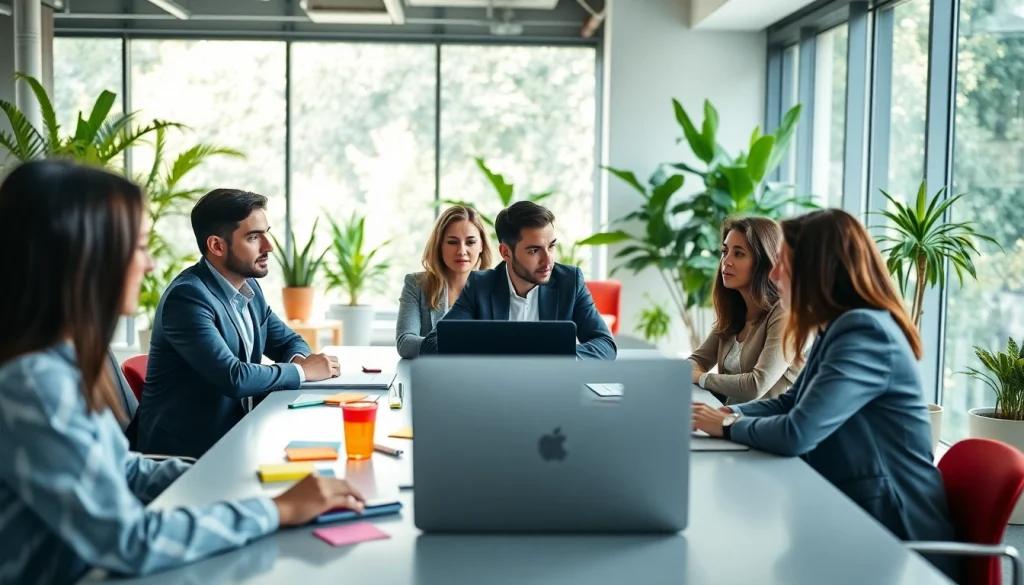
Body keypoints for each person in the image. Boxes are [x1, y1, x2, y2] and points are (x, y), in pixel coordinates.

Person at [0, 160, 365, 584]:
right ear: (84, 256)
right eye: (138, 247)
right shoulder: (35, 383)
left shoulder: (67, 363)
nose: (150, 265)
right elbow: (127, 541)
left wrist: (241, 484)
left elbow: (126, 470)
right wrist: (275, 509)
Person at [692, 209, 960, 582]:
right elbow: (789, 402)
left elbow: (797, 431)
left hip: (893, 533)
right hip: (855, 508)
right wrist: (720, 416)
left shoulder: (863, 330)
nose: (773, 273)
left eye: (783, 262)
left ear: (816, 268)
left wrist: (729, 425)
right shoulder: (840, 325)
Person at [136, 189, 340, 459]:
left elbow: (288, 341)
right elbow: (234, 377)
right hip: (184, 456)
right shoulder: (188, 298)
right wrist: (302, 372)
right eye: (254, 237)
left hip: (237, 437)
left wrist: (300, 359)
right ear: (217, 246)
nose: (269, 246)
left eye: (266, 233)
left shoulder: (248, 288)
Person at [419, 200, 616, 360]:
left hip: (555, 392)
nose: (548, 260)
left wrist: (562, 358)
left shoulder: (570, 281)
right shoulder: (480, 285)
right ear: (506, 252)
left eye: (551, 246)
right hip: (496, 393)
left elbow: (605, 344)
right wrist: (495, 354)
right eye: (534, 250)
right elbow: (432, 344)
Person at [687, 217, 802, 405]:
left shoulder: (785, 313)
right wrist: (690, 372)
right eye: (725, 251)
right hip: (728, 419)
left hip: (769, 427)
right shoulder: (735, 310)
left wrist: (701, 378)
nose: (726, 261)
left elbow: (756, 385)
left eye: (738, 254)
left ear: (764, 261)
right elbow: (697, 360)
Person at [396, 205, 494, 358]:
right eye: (452, 242)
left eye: (470, 242)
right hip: (431, 377)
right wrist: (463, 347)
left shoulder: (495, 288)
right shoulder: (416, 284)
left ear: (481, 245)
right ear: (439, 245)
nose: (461, 251)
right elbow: (405, 343)